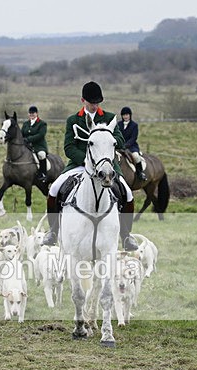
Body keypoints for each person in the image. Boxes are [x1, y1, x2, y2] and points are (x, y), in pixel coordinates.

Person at [42, 81, 138, 251]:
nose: (95, 106)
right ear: (82, 100)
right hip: (80, 165)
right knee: (54, 189)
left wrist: (110, 139)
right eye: (91, 102)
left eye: (97, 102)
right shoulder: (73, 120)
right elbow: (69, 147)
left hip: (107, 166)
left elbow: (120, 140)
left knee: (127, 192)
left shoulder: (109, 118)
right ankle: (53, 231)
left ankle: (126, 235)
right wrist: (87, 162)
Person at [117, 106, 147, 182]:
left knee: (136, 157)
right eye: (124, 115)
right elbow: (117, 135)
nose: (125, 116)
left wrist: (126, 145)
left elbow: (133, 138)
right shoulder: (118, 124)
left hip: (131, 146)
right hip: (120, 146)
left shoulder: (134, 125)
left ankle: (140, 173)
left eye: (127, 115)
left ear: (130, 115)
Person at [21, 105, 49, 182]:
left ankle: (43, 173)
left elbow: (40, 135)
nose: (31, 115)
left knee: (41, 155)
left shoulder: (42, 124)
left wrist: (28, 139)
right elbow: (21, 133)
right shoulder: (26, 124)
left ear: (36, 114)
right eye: (30, 113)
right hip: (27, 146)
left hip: (39, 146)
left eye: (33, 113)